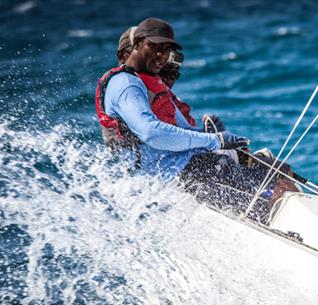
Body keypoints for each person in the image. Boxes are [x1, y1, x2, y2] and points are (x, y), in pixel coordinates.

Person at [96, 17, 276, 218]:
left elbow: (174, 134)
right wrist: (213, 140)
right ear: (137, 45)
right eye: (155, 47)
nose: (162, 56)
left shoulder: (146, 84)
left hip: (187, 165)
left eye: (167, 51)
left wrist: (214, 138)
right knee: (270, 184)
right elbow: (151, 132)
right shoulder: (127, 85)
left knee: (272, 168)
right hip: (177, 175)